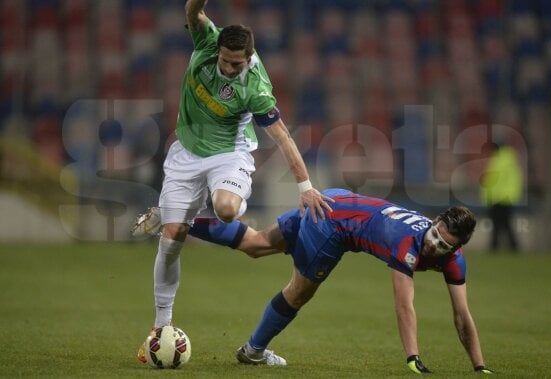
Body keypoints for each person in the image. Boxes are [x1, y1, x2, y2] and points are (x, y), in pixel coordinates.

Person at [135, 0, 333, 363]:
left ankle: (176, 214)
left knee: (226, 209)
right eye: (225, 60)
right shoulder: (208, 42)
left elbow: (284, 137)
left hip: (229, 153)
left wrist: (305, 187)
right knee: (173, 237)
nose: (227, 67)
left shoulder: (255, 87)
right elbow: (193, 12)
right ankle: (162, 324)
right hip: (185, 151)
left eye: (236, 63)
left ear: (249, 58)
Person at [145, 188, 494, 374]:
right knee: (299, 292)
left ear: (458, 248)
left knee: (258, 244)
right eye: (435, 233)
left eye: (444, 244)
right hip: (333, 225)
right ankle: (253, 352)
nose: (434, 242)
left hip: (334, 197)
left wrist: (478, 366)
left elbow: (462, 315)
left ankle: (176, 220)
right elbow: (404, 304)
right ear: (434, 221)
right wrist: (413, 358)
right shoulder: (410, 244)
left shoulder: (454, 262)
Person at [480, 143, 523, 251]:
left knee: (499, 225)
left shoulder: (498, 162)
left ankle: (497, 247)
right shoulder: (508, 160)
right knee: (504, 224)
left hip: (499, 198)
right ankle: (510, 247)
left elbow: (491, 180)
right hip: (505, 198)